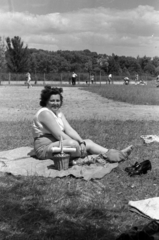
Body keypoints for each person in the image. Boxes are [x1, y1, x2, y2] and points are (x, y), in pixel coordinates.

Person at [32, 86, 133, 162]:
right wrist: (77, 144)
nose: (55, 103)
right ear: (45, 102)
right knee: (73, 144)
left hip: (59, 144)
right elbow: (59, 135)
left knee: (87, 142)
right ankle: (92, 157)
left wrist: (81, 142)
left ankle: (117, 154)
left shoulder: (58, 113)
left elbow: (69, 129)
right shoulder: (45, 113)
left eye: (58, 100)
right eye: (52, 101)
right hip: (45, 148)